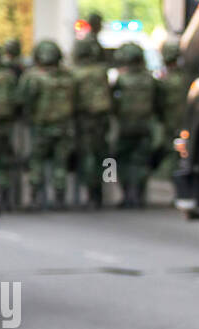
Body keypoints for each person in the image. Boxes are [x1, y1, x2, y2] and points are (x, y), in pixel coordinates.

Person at [18, 40, 76, 210]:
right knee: (60, 163)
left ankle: (35, 197)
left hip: (40, 127)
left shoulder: (32, 77)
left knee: (36, 162)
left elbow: (22, 100)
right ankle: (60, 198)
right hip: (64, 127)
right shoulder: (68, 76)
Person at [111, 42, 159, 208]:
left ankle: (125, 195)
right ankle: (139, 195)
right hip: (145, 126)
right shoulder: (150, 80)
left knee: (118, 161)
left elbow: (113, 103)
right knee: (141, 162)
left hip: (125, 127)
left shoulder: (121, 80)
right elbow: (158, 103)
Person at [71, 37, 112, 209]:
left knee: (87, 156)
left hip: (85, 119)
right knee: (105, 156)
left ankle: (90, 194)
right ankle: (104, 192)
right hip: (102, 119)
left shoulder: (76, 73)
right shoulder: (101, 71)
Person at [0, 44, 21, 210]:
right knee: (4, 160)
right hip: (7, 123)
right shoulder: (8, 75)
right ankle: (6, 196)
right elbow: (17, 98)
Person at [156, 39, 187, 181]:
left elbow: (158, 103)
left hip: (170, 122)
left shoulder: (164, 80)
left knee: (170, 151)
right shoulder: (186, 78)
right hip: (183, 122)